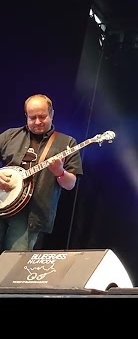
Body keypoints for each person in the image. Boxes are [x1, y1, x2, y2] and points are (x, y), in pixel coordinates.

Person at [0, 94, 82, 252]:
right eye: (32, 117)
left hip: (31, 216)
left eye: (42, 116)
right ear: (26, 116)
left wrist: (60, 172)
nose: (37, 122)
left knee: (13, 262)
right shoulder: (9, 136)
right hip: (2, 203)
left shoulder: (67, 143)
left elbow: (70, 184)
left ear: (52, 114)